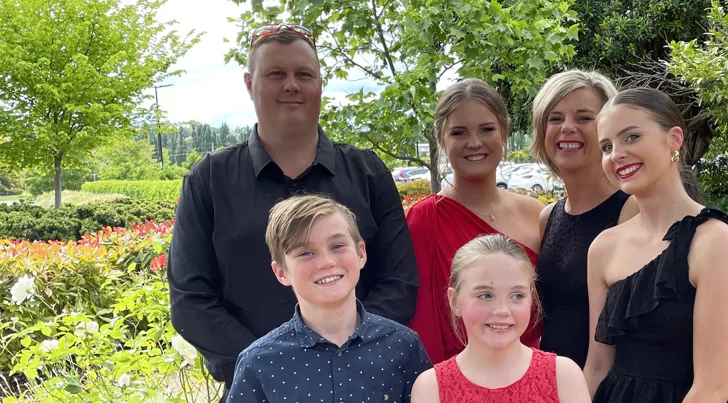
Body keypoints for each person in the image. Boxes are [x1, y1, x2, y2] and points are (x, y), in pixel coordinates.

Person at [166, 23, 419, 401]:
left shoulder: (368, 173)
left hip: (367, 387)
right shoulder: (209, 181)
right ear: (250, 84)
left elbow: (399, 282)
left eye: (304, 74)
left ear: (320, 83)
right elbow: (191, 300)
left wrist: (355, 357)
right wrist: (271, 365)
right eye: (276, 74)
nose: (291, 85)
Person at [583, 87, 728, 403]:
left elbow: (712, 388)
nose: (616, 153)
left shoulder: (714, 240)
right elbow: (597, 367)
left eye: (631, 137)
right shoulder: (603, 248)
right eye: (606, 146)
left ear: (674, 139)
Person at [227, 195, 431, 403]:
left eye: (337, 246)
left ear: (361, 253)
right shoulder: (259, 362)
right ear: (281, 272)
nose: (326, 262)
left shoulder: (403, 346)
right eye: (306, 253)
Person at [406, 79, 544, 364]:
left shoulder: (537, 214)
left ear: (503, 132)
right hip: (455, 378)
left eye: (486, 129)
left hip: (531, 373)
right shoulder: (424, 220)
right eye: (459, 132)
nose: (474, 143)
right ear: (442, 141)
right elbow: (422, 322)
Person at [530, 69, 636, 369]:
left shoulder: (631, 212)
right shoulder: (548, 218)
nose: (567, 128)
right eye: (555, 118)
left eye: (583, 118)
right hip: (555, 386)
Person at [410, 234, 590, 403]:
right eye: (485, 295)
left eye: (517, 295)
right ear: (455, 301)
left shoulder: (564, 376)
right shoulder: (430, 388)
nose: (502, 310)